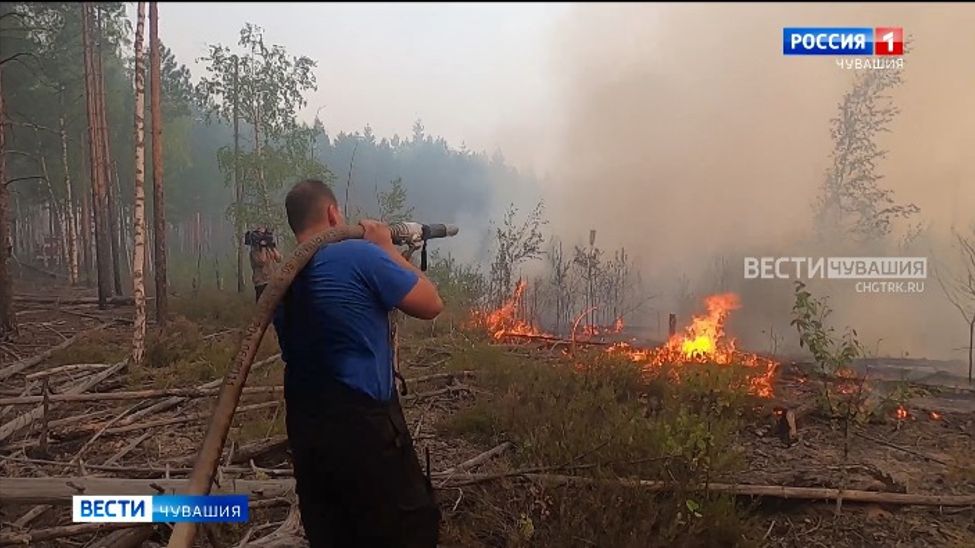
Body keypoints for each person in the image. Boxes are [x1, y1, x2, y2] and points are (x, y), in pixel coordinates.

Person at [260, 179, 443, 547]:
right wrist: (386, 247)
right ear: (333, 213)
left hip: (307, 436)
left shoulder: (282, 281)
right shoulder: (360, 256)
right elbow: (431, 303)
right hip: (366, 435)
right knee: (405, 532)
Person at [248, 227, 282, 300]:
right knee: (262, 304)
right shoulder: (254, 251)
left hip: (272, 280)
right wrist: (263, 246)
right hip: (261, 282)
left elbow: (279, 259)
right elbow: (262, 261)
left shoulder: (268, 248)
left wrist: (272, 247)